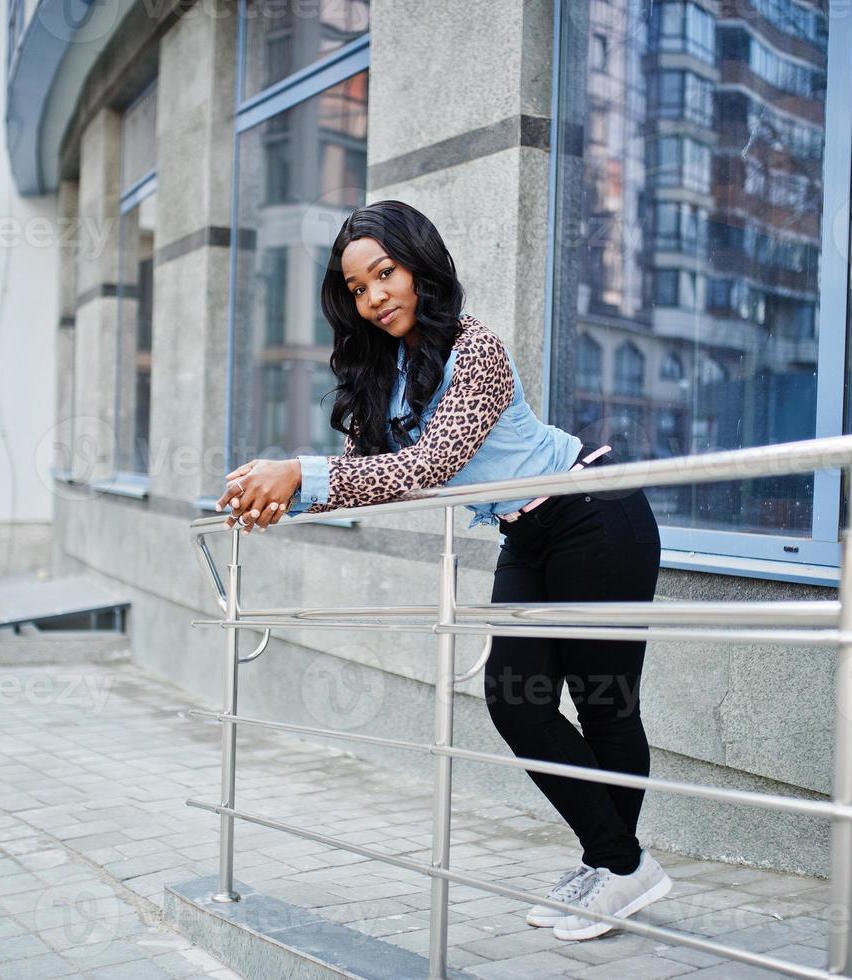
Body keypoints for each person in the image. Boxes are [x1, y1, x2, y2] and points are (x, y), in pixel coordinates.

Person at [217, 200, 667, 941]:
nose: (374, 297)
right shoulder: (387, 371)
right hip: (526, 532)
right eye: (357, 288)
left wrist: (296, 471)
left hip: (593, 512)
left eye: (385, 273)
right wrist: (276, 501)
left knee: (604, 705)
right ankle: (618, 864)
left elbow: (428, 467)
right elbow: (370, 472)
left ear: (420, 265)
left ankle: (615, 870)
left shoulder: (474, 350)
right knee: (514, 701)